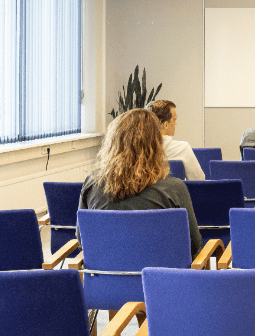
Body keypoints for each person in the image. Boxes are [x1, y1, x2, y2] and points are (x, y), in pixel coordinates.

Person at [79, 108, 202, 256]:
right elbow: (193, 247)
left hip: (108, 276)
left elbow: (83, 241)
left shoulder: (93, 183)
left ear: (112, 143)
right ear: (156, 145)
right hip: (160, 277)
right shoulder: (174, 189)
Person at [146, 99, 205, 181]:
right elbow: (198, 180)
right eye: (174, 119)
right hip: (174, 193)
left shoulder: (136, 148)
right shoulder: (182, 148)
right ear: (165, 124)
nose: (176, 123)